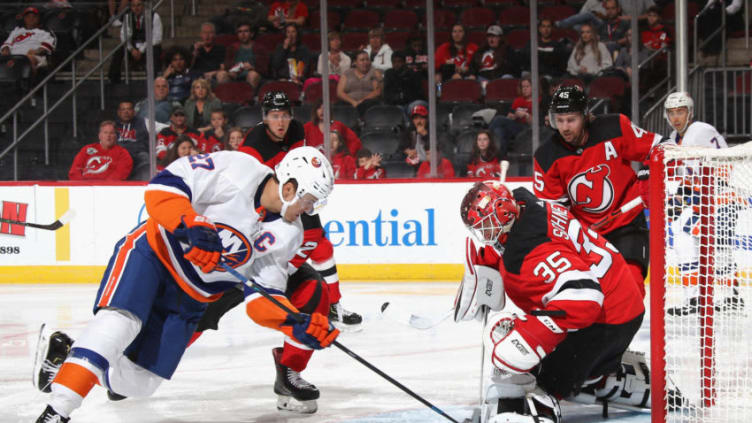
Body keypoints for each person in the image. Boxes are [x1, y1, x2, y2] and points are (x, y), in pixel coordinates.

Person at [34, 146, 338, 422]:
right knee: (119, 323)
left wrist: (294, 323)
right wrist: (189, 223)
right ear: (289, 187)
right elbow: (162, 186)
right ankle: (57, 411)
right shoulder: (236, 169)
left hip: (193, 297)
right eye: (309, 201)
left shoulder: (289, 233)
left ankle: (67, 355)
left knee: (139, 383)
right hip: (154, 256)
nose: (308, 211)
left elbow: (263, 298)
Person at [454, 180, 648, 422]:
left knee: (524, 372)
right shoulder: (529, 206)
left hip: (607, 320)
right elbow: (519, 243)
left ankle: (600, 377)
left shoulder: (534, 252)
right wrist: (489, 260)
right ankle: (602, 374)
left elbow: (585, 297)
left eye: (487, 227)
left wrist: (531, 335)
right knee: (517, 362)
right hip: (620, 299)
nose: (484, 235)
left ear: (504, 214)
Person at [240, 91, 362, 326]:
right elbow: (249, 187)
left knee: (321, 245)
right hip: (266, 206)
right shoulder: (252, 144)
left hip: (291, 197)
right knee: (300, 244)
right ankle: (282, 287)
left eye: (285, 115)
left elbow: (298, 166)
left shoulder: (296, 129)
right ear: (265, 117)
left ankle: (334, 306)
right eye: (275, 116)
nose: (281, 122)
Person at [533, 86, 667, 297]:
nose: (565, 127)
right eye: (560, 120)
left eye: (571, 120)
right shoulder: (546, 156)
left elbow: (661, 147)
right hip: (587, 236)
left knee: (630, 288)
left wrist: (650, 172)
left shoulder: (614, 127)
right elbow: (555, 213)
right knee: (591, 297)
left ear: (585, 115)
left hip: (627, 223)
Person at [661, 91, 744, 316]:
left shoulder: (700, 130)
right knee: (716, 245)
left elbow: (722, 165)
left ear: (690, 112)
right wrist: (680, 197)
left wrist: (691, 196)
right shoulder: (675, 137)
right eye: (672, 113)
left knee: (685, 235)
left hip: (722, 194)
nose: (676, 117)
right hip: (710, 196)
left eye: (681, 112)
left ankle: (697, 297)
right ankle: (729, 296)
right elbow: (691, 175)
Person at [108, 0, 163, 84]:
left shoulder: (154, 16)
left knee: (155, 51)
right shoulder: (127, 17)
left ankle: (153, 80)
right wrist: (131, 49)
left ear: (143, 6)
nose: (136, 8)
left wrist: (142, 49)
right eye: (133, 6)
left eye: (138, 5)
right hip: (134, 46)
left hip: (148, 46)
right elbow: (124, 36)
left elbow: (157, 38)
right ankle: (113, 79)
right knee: (119, 51)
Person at [68, 120, 133, 180]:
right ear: (99, 135)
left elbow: (118, 176)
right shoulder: (87, 149)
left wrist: (101, 187)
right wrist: (83, 186)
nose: (108, 136)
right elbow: (74, 171)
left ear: (116, 136)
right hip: (84, 188)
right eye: (105, 133)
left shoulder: (123, 154)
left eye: (111, 133)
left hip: (106, 189)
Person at [0, 7, 56, 75]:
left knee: (29, 59)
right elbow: (6, 44)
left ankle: (29, 83)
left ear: (38, 18)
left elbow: (47, 46)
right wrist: (5, 49)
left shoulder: (45, 32)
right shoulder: (16, 31)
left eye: (34, 16)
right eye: (28, 16)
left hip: (35, 56)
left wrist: (36, 51)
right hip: (14, 56)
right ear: (24, 18)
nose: (31, 19)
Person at [489, 77, 535, 157]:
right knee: (499, 130)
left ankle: (486, 140)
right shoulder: (518, 100)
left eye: (527, 86)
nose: (525, 89)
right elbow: (509, 117)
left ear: (533, 87)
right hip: (516, 126)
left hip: (528, 128)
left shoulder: (538, 100)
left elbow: (535, 122)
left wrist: (526, 115)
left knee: (498, 119)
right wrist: (512, 116)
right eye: (523, 87)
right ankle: (502, 158)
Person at [216, 21, 262, 90]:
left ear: (252, 34)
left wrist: (252, 67)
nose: (243, 34)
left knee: (252, 75)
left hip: (251, 74)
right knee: (221, 74)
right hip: (234, 74)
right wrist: (231, 71)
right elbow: (227, 65)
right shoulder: (232, 48)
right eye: (240, 32)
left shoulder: (259, 48)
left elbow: (264, 69)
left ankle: (248, 98)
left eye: (246, 31)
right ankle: (226, 98)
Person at [336, 50, 383, 116]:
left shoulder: (374, 72)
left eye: (367, 59)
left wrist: (361, 101)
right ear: (355, 62)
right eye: (362, 60)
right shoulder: (347, 73)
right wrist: (353, 102)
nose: (365, 62)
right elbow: (340, 92)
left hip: (369, 105)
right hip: (349, 105)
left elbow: (377, 92)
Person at [114, 101, 150, 174]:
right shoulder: (112, 125)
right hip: (119, 155)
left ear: (133, 112)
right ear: (118, 112)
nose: (126, 112)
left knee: (145, 157)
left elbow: (164, 127)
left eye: (129, 109)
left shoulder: (144, 122)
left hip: (138, 155)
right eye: (123, 109)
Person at [399, 103, 429, 167]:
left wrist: (425, 135)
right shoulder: (409, 130)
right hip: (413, 164)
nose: (418, 121)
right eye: (416, 118)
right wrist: (408, 151)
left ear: (426, 119)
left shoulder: (432, 131)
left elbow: (436, 149)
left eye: (421, 118)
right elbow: (401, 146)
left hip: (429, 164)